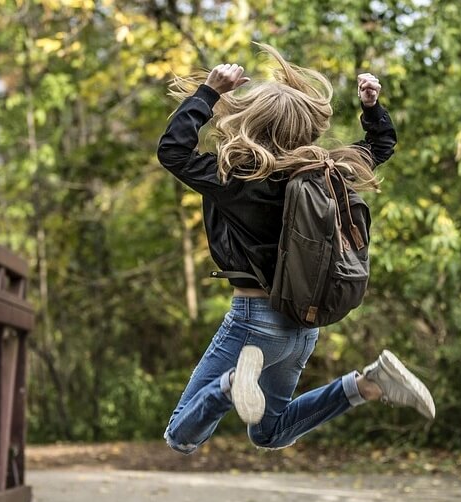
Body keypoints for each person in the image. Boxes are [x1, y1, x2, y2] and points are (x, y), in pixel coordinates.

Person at [157, 43, 434, 455]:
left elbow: (173, 151)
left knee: (180, 435)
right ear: (304, 127)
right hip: (302, 327)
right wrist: (372, 109)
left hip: (253, 323)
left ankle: (232, 384)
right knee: (269, 432)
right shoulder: (327, 172)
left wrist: (209, 93)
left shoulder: (234, 177)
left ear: (252, 120)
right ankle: (368, 384)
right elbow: (379, 148)